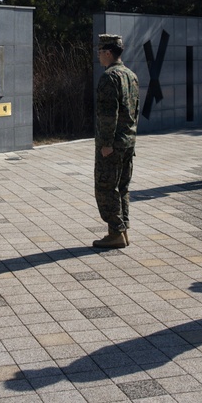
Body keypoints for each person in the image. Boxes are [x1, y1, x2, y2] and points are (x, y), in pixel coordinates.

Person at [92, 34, 140, 249]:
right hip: (128, 141)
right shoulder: (131, 75)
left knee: (105, 188)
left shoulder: (109, 77)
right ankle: (123, 229)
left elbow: (108, 115)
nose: (99, 56)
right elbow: (135, 111)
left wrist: (106, 143)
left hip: (113, 143)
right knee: (122, 187)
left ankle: (116, 233)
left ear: (108, 52)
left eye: (100, 52)